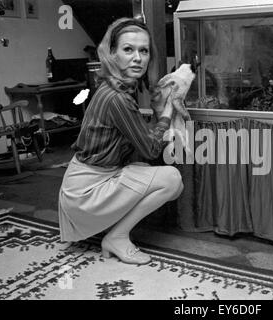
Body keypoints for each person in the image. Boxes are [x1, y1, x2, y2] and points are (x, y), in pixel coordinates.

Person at [58, 17, 183, 265]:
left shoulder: (114, 88)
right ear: (112, 54)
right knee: (172, 179)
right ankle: (117, 236)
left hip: (85, 182)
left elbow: (140, 138)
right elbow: (151, 148)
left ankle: (112, 228)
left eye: (144, 50)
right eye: (128, 49)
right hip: (85, 193)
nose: (137, 57)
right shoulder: (117, 98)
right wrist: (166, 113)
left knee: (149, 173)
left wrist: (158, 113)